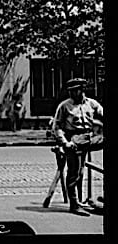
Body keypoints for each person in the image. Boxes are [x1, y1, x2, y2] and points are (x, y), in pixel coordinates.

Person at [52, 78, 104, 216]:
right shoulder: (64, 106)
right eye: (70, 91)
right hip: (74, 140)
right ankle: (74, 205)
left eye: (75, 90)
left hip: (90, 137)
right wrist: (65, 143)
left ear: (82, 90)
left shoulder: (92, 104)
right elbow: (56, 127)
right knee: (75, 174)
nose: (72, 93)